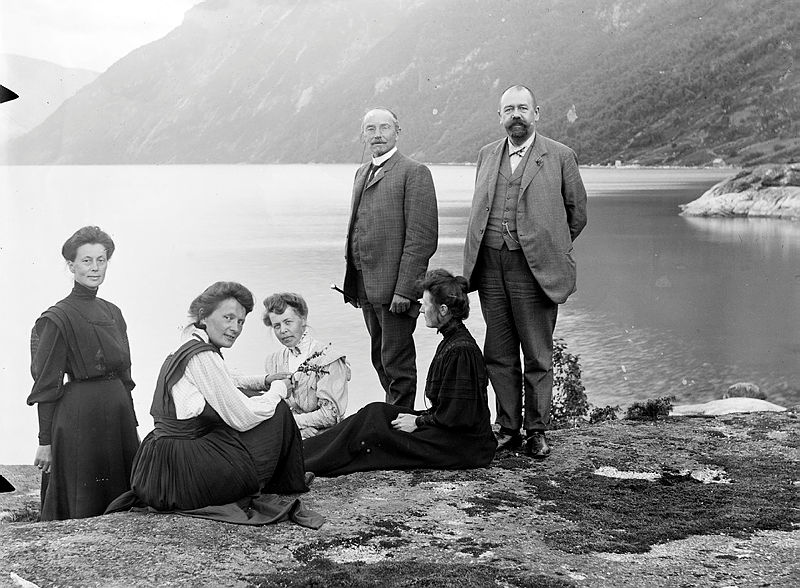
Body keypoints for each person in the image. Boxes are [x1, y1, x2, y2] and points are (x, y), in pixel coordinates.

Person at [105, 282, 322, 528]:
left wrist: (264, 380)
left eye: (240, 322)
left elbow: (226, 379)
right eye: (228, 318)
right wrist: (278, 390)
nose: (235, 328)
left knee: (248, 402)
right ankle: (282, 482)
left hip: (156, 469)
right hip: (184, 477)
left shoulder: (187, 343)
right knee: (277, 411)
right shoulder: (203, 355)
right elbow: (243, 417)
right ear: (203, 316)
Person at [463, 84, 588, 459]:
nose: (515, 115)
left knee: (537, 353)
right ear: (500, 117)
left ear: (536, 113)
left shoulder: (560, 156)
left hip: (535, 270)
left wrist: (545, 247)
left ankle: (536, 430)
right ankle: (507, 428)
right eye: (508, 109)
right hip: (490, 266)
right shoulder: (486, 155)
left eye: (522, 108)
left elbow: (577, 214)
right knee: (498, 351)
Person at [304, 269, 496, 477]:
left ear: (443, 309)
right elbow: (451, 412)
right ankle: (301, 452)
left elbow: (458, 415)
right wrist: (418, 419)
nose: (421, 310)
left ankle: (303, 463)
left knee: (374, 434)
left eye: (425, 304)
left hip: (463, 446)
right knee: (375, 412)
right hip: (451, 433)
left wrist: (418, 422)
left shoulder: (461, 350)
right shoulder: (452, 341)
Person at [27, 226, 139, 520]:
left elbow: (126, 378)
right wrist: (45, 442)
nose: (95, 268)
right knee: (82, 506)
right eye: (86, 260)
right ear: (71, 265)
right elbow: (46, 385)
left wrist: (132, 424)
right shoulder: (58, 317)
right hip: (80, 419)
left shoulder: (113, 312)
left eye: (101, 260)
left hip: (118, 416)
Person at [341, 107, 438, 409]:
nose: (377, 135)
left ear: (398, 131)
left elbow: (422, 239)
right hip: (366, 288)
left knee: (397, 362)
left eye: (384, 128)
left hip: (395, 289)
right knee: (380, 359)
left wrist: (405, 290)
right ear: (363, 135)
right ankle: (393, 417)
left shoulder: (414, 172)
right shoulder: (361, 173)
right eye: (370, 129)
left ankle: (400, 422)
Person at [262, 292, 350, 439]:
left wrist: (292, 424)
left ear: (303, 320)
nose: (283, 330)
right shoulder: (273, 361)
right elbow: (274, 408)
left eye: (288, 322)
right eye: (276, 326)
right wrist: (297, 430)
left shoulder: (329, 358)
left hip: (327, 438)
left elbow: (331, 415)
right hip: (289, 436)